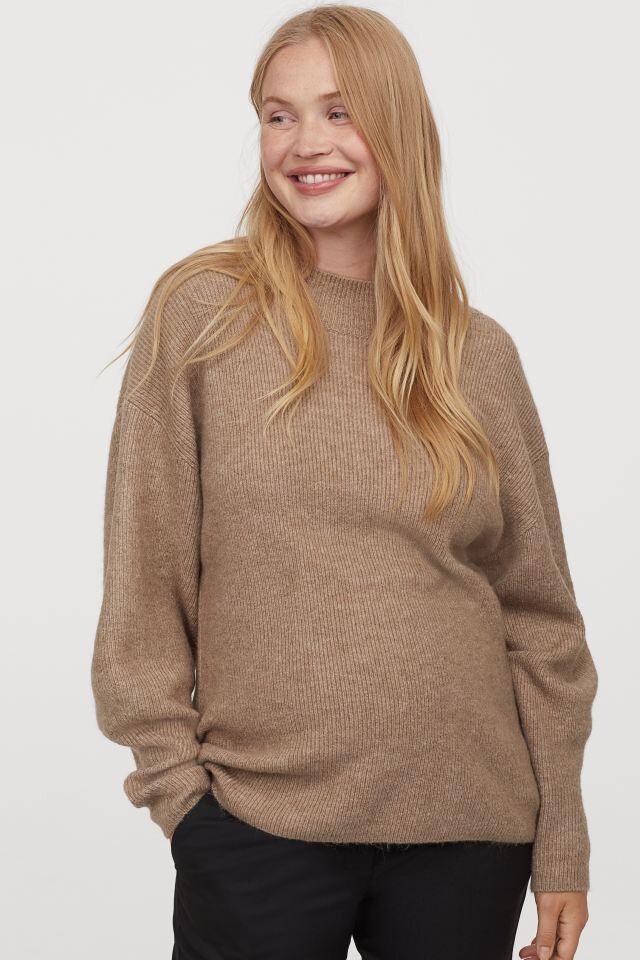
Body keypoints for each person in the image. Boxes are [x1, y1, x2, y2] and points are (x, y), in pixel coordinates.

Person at [90, 6, 598, 959]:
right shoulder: (202, 315)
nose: (305, 144)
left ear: (398, 126)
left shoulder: (477, 354)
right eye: (279, 116)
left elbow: (541, 620)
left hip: (472, 831)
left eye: (339, 111)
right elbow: (145, 584)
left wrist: (561, 842)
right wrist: (183, 802)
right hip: (255, 827)